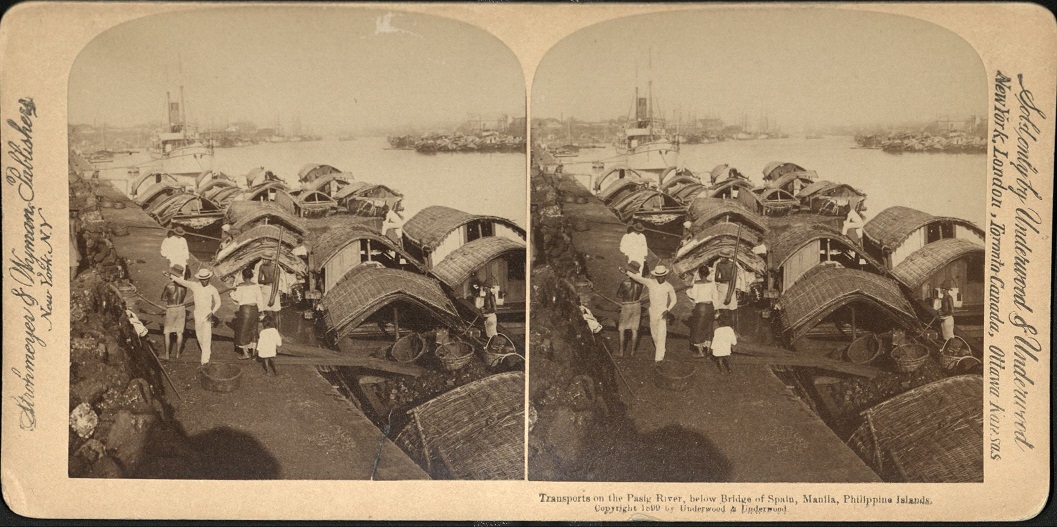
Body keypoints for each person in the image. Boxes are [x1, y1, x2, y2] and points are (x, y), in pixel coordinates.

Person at [623, 264, 678, 362]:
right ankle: (660, 349)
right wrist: (627, 272)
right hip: (652, 312)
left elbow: (674, 300)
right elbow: (638, 278)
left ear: (665, 276)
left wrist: (668, 310)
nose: (660, 278)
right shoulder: (650, 282)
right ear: (656, 276)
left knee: (661, 334)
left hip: (662, 313)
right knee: (654, 334)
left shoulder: (668, 286)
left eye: (662, 276)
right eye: (658, 276)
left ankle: (659, 358)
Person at [169, 267, 222, 365]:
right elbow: (182, 282)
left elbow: (218, 303)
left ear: (209, 278)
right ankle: (206, 352)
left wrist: (212, 312)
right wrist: (171, 276)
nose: (204, 281)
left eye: (206, 279)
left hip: (207, 315)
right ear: (200, 279)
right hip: (197, 314)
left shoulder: (212, 289)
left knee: (207, 336)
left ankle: (205, 360)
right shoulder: (195, 285)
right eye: (202, 279)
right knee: (199, 336)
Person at [230, 267, 264, 360]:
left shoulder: (240, 286)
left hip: (245, 310)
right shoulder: (256, 286)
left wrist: (232, 292)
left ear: (243, 276)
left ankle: (245, 353)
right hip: (254, 309)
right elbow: (260, 299)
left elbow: (235, 298)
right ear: (252, 276)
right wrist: (261, 311)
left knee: (243, 331)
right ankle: (253, 353)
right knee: (253, 330)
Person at [615, 260, 646, 357]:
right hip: (636, 305)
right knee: (634, 329)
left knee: (622, 329)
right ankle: (632, 351)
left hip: (626, 305)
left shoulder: (624, 283)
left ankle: (621, 352)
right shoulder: (640, 283)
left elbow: (619, 295)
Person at [160, 265, 189, 360]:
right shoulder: (185, 287)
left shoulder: (169, 286)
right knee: (179, 332)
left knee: (167, 332)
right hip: (181, 308)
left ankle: (167, 354)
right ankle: (177, 354)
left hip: (171, 309)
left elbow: (163, 298)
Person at [687, 265, 717, 358]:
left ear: (699, 274)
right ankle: (708, 351)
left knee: (698, 328)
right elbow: (715, 297)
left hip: (701, 307)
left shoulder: (697, 283)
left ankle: (700, 352)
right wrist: (716, 309)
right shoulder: (712, 283)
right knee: (708, 327)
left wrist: (688, 291)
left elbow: (694, 296)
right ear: (707, 274)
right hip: (710, 307)